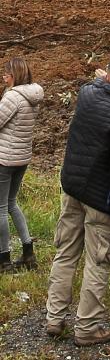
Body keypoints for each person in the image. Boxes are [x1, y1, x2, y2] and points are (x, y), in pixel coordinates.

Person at [45, 57, 110, 346]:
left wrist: (102, 78)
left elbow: (96, 83)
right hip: (100, 198)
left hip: (72, 187)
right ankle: (86, 327)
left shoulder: (86, 93)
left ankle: (54, 318)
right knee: (98, 260)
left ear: (106, 75)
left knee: (66, 252)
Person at [0, 57, 44, 272]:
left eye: (6, 73)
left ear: (15, 74)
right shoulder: (33, 95)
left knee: (0, 209)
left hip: (4, 159)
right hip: (22, 158)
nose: (3, 76)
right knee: (11, 204)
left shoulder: (12, 97)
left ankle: (4, 260)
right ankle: (28, 252)